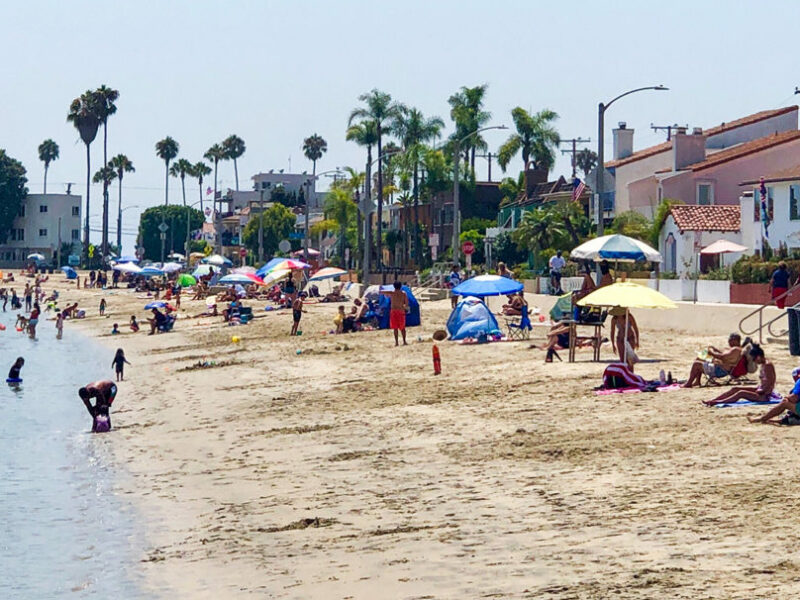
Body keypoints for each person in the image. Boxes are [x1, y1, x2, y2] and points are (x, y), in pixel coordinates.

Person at [704, 345, 775, 406]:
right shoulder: (764, 364)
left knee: (741, 393)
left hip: (764, 396)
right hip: (761, 390)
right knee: (735, 389)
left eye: (754, 359)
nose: (754, 361)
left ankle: (717, 402)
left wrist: (759, 391)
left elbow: (769, 384)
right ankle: (715, 400)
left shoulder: (767, 366)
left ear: (758, 357)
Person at [387, 281, 409, 346]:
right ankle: (404, 341)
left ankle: (396, 342)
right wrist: (404, 307)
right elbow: (406, 303)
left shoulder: (392, 293)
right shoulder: (403, 293)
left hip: (393, 311)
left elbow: (383, 292)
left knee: (395, 327)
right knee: (402, 327)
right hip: (401, 310)